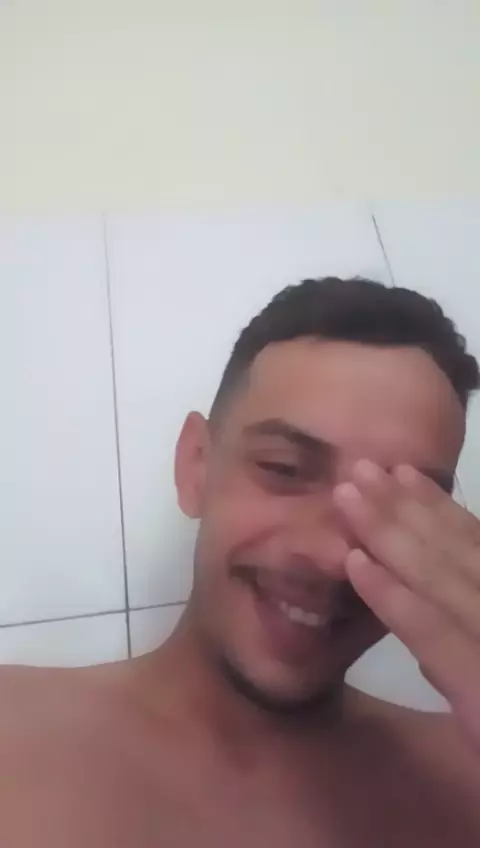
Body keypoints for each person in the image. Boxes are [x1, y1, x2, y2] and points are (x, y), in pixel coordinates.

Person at [2, 277, 480, 847]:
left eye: (398, 507)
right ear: (196, 466)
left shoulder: (465, 779)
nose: (333, 558)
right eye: (284, 469)